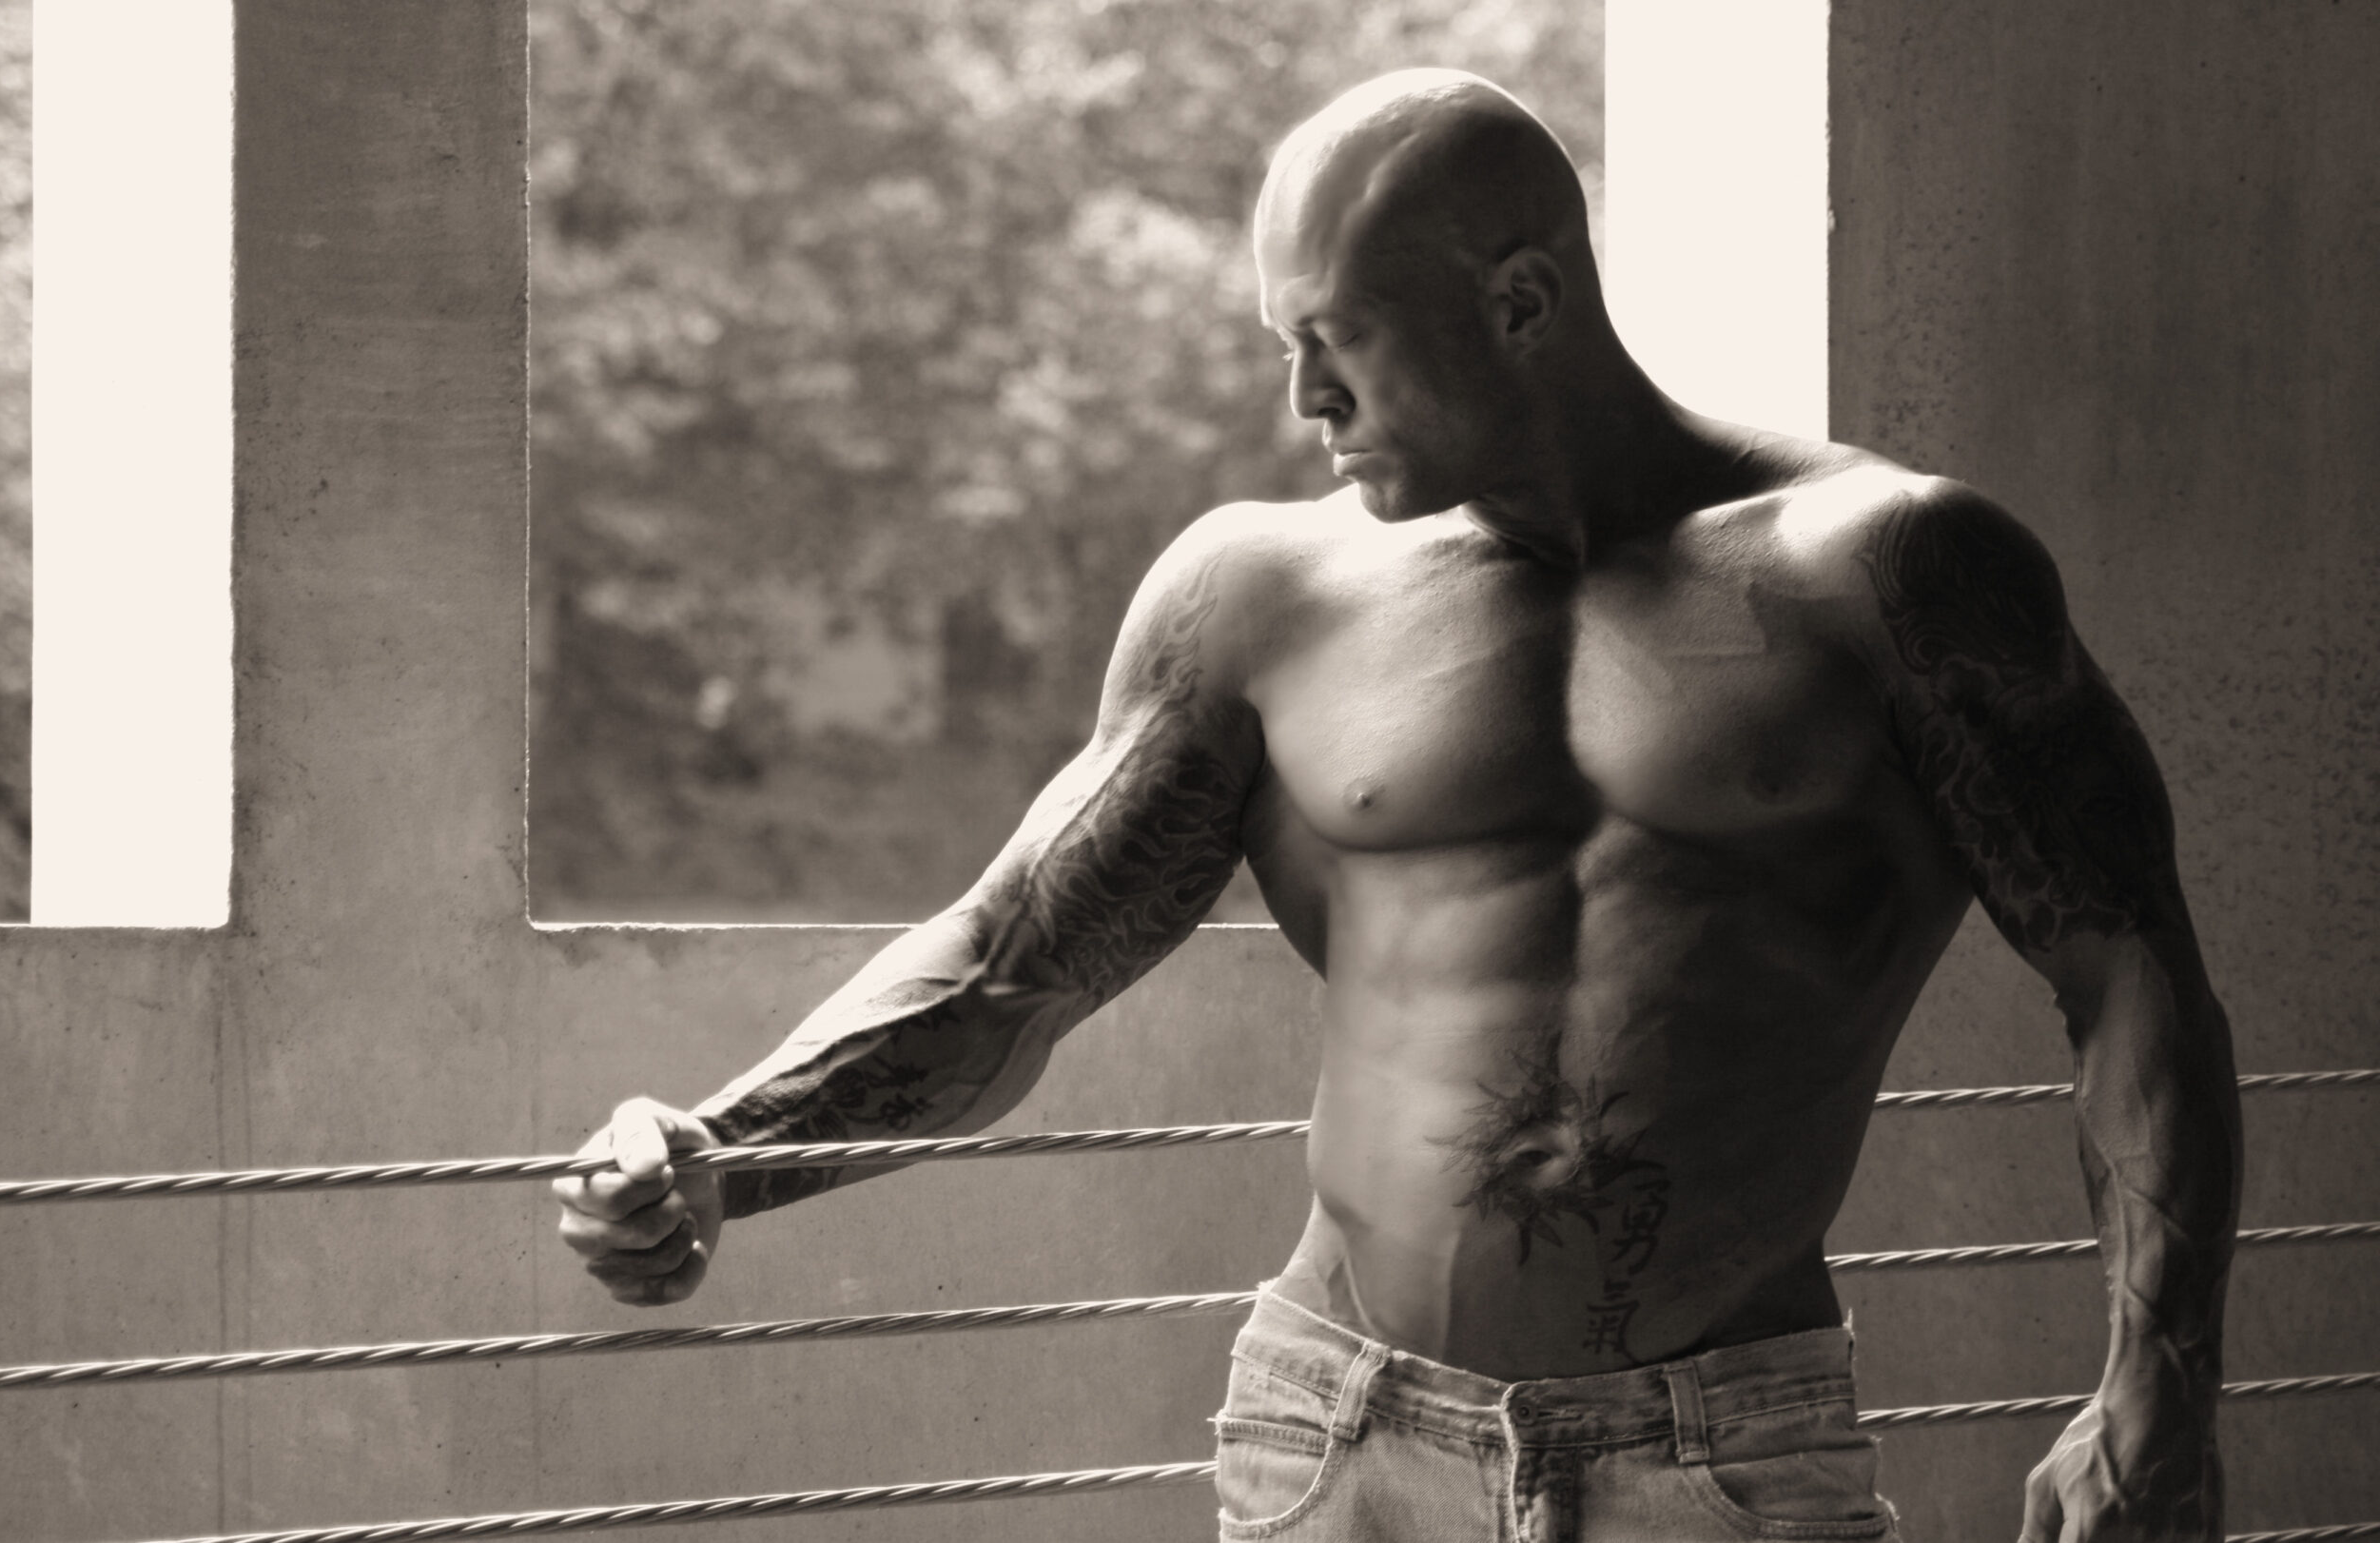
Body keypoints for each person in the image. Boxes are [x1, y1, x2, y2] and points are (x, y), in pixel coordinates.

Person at [553, 69, 2241, 1543]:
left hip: (1716, 1451)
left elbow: (2132, 977)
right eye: (1284, 345)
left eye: (1336, 339)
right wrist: (718, 1152)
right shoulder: (1259, 598)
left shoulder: (1888, 574)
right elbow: (1009, 965)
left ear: (1523, 300)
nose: (1304, 400)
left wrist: (2156, 1387)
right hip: (1339, 1434)